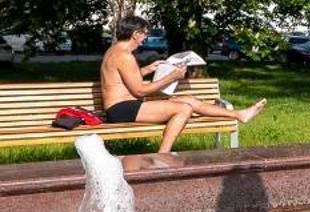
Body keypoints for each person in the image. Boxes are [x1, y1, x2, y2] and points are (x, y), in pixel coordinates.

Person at [98, 15, 264, 153]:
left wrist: (148, 68)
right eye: (144, 34)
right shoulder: (124, 56)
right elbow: (140, 90)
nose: (145, 38)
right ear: (135, 34)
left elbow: (122, 80)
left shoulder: (116, 51)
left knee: (188, 99)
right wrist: (171, 77)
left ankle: (239, 115)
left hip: (127, 106)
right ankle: (163, 155)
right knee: (184, 109)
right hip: (121, 110)